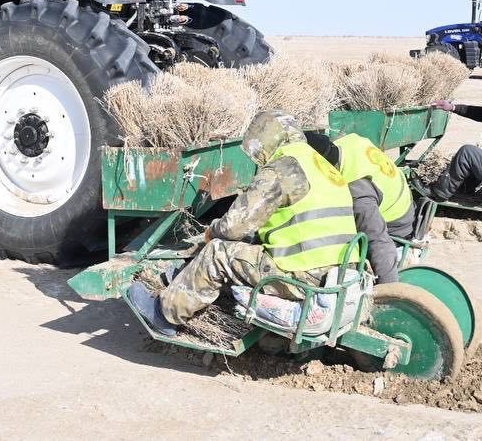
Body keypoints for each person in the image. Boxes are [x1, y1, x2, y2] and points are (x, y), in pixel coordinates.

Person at [128, 111, 357, 335]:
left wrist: (211, 233)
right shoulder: (321, 165)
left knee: (217, 253)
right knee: (248, 241)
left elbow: (234, 226)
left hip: (303, 277)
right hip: (339, 272)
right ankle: (188, 279)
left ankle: (165, 314)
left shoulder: (283, 168)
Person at [305, 130, 413, 284]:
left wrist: (389, 291)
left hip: (396, 225)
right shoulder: (349, 141)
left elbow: (379, 242)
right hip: (401, 198)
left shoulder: (358, 194)